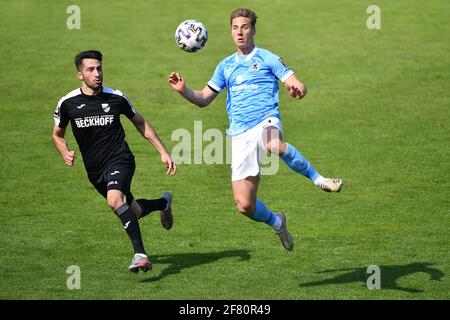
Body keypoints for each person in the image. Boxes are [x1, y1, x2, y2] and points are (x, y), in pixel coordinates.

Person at [168, 8, 342, 251]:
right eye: (235, 28)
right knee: (244, 205)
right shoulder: (225, 66)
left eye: (245, 27)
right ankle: (277, 222)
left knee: (273, 144)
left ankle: (319, 179)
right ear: (231, 31)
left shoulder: (268, 58)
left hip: (266, 120)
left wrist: (297, 90)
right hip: (240, 133)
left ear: (253, 30)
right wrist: (183, 90)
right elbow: (204, 99)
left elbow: (294, 82)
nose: (240, 32)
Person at [53, 50, 176, 272]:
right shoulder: (67, 103)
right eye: (90, 69)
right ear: (79, 75)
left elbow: (141, 123)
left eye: (99, 68)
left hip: (120, 159)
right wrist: (64, 151)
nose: (97, 73)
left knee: (115, 200)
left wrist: (163, 151)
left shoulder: (116, 97)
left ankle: (140, 255)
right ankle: (163, 203)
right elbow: (57, 134)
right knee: (132, 210)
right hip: (95, 171)